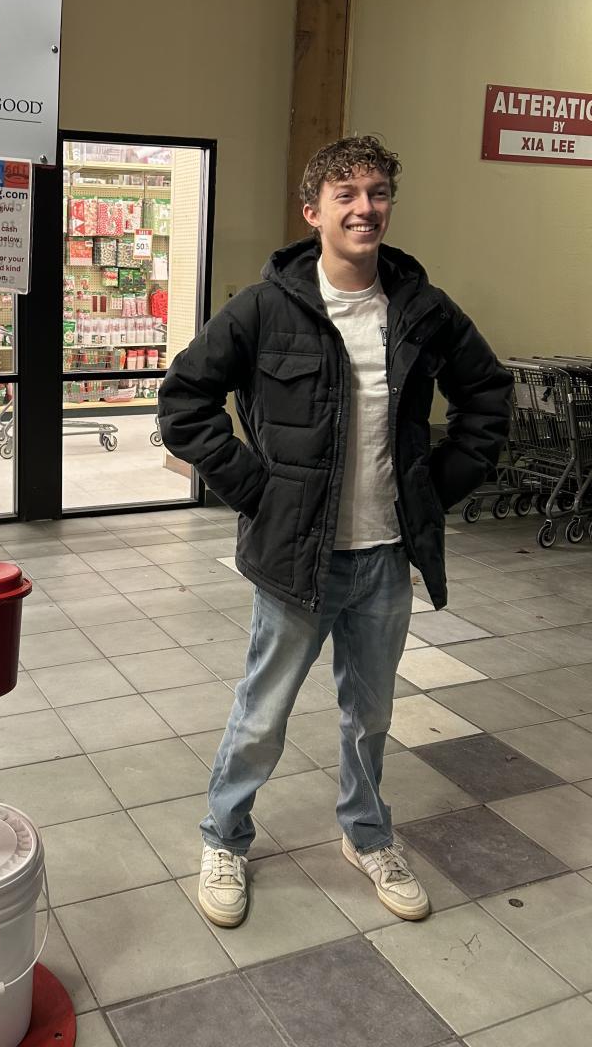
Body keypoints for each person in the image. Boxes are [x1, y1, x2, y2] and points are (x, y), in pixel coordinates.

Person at [158, 135, 512, 928]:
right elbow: (183, 399)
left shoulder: (422, 309)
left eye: (378, 192)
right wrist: (257, 491)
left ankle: (366, 833)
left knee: (372, 715)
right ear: (312, 212)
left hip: (384, 557)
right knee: (262, 714)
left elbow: (488, 394)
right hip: (295, 560)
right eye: (346, 194)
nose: (365, 208)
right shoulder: (264, 308)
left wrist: (434, 488)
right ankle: (224, 837)